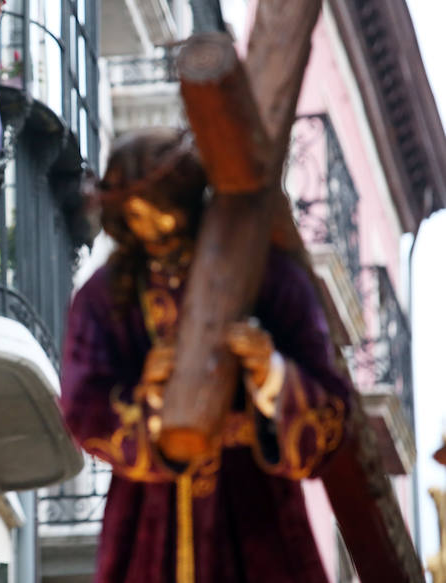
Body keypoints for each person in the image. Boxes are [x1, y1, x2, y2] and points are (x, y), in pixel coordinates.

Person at [60, 128, 351, 583]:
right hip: (148, 520)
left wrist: (269, 372)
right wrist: (149, 399)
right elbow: (82, 406)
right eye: (137, 216)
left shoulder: (268, 277)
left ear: (187, 201)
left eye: (163, 212)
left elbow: (332, 409)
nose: (154, 228)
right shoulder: (105, 298)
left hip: (256, 508)